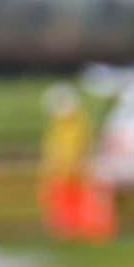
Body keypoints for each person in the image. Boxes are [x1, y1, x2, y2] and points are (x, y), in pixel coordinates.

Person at [38, 84, 93, 238]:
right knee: (61, 203)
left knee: (73, 203)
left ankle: (75, 229)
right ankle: (65, 229)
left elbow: (78, 148)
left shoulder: (77, 124)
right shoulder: (61, 124)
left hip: (73, 172)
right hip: (61, 172)